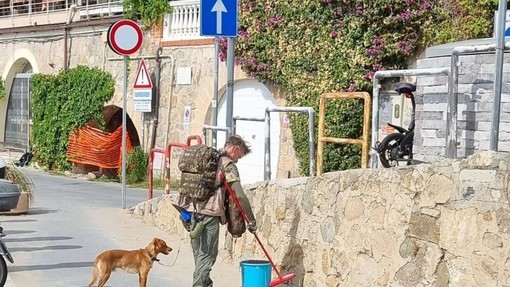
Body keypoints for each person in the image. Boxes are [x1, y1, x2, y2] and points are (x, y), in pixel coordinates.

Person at [173, 135, 257, 287]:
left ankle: (206, 284)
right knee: (207, 258)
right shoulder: (228, 165)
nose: (238, 159)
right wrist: (251, 219)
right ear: (235, 149)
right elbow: (239, 195)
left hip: (191, 213)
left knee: (200, 258)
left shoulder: (207, 160)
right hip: (209, 216)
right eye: (240, 155)